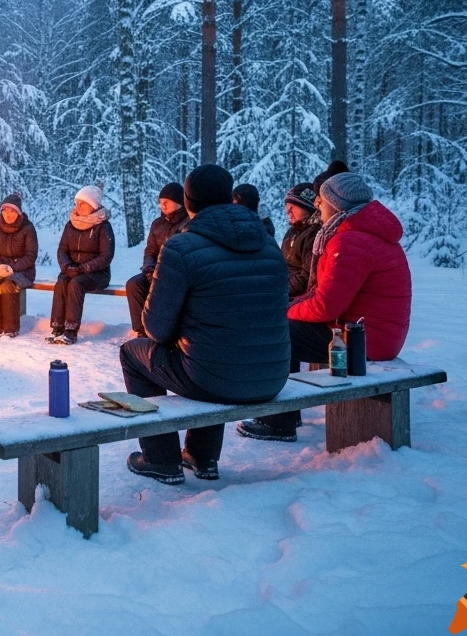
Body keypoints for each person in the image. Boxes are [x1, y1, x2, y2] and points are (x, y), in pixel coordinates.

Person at [120, 164, 290, 484]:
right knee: (214, 347)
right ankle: (202, 456)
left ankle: (161, 458)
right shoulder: (268, 244)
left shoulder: (182, 247)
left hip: (216, 376)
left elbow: (156, 328)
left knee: (134, 353)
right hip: (272, 375)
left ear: (188, 203)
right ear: (228, 197)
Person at [238, 171, 412, 442]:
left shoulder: (351, 240)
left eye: (321, 200)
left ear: (337, 203)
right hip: (367, 333)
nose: (317, 204)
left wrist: (282, 311)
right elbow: (324, 297)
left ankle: (278, 421)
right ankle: (286, 413)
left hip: (365, 341)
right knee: (285, 326)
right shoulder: (357, 234)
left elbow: (325, 306)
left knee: (277, 332)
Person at [47, 185, 115, 345]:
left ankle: (70, 330)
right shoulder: (70, 224)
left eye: (82, 203)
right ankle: (57, 327)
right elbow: (62, 250)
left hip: (96, 274)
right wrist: (67, 267)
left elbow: (106, 256)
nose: (77, 206)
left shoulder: (103, 226)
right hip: (72, 270)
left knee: (76, 284)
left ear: (93, 206)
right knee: (62, 281)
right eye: (77, 202)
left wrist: (83, 269)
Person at [125, 183, 188, 336]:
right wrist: (149, 268)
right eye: (160, 201)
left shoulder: (187, 223)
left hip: (175, 275)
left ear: (179, 203)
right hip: (154, 271)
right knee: (134, 284)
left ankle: (165, 331)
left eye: (167, 201)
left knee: (165, 289)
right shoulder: (157, 224)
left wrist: (163, 273)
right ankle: (141, 331)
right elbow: (150, 250)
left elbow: (183, 254)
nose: (162, 205)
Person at [0, 194, 38, 338]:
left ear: (18, 212)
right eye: (5, 211)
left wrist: (13, 268)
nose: (8, 215)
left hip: (23, 270)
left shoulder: (28, 228)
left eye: (12, 211)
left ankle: (10, 328)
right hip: (1, 268)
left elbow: (30, 256)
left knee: (8, 285)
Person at [280, 182, 320, 299]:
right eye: (287, 206)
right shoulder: (292, 232)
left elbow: (307, 277)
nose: (288, 211)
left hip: (297, 297)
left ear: (307, 207)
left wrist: (279, 290)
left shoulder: (314, 234)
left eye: (292, 206)